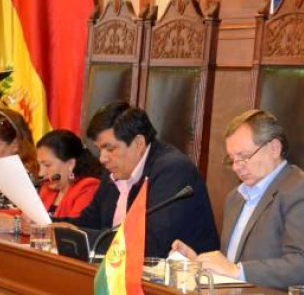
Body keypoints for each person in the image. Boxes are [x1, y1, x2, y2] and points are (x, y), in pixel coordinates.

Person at [171, 110, 304, 290]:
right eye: (232, 159)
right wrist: (198, 263)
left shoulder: (303, 189)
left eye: (243, 157)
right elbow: (230, 266)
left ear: (274, 148)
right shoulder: (235, 198)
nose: (236, 167)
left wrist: (238, 271)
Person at [67, 101, 218, 258]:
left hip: (182, 277)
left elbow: (150, 244)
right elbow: (89, 221)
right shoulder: (115, 171)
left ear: (138, 143)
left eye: (110, 149)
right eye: (100, 150)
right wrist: (53, 227)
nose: (103, 158)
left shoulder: (173, 171)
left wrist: (79, 235)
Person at [36, 130, 102, 219]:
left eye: (47, 165)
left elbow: (75, 228)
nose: (41, 173)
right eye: (39, 165)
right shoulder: (46, 189)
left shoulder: (88, 187)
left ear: (70, 164)